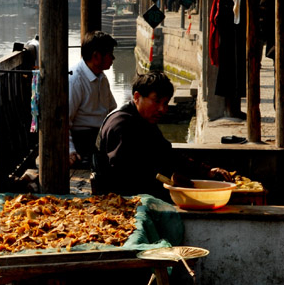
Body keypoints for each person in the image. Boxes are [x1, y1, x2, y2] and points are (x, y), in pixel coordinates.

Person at [95, 71, 229, 198]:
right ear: (137, 97)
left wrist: (206, 171)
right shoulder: (122, 124)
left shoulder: (144, 120)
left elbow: (167, 154)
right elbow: (123, 173)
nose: (162, 109)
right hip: (121, 197)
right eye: (157, 101)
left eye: (165, 103)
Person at [69, 31, 117, 166]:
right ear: (96, 56)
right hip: (82, 140)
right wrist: (70, 150)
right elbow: (63, 122)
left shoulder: (102, 77)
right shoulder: (75, 80)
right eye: (110, 54)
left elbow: (111, 108)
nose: (113, 58)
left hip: (100, 135)